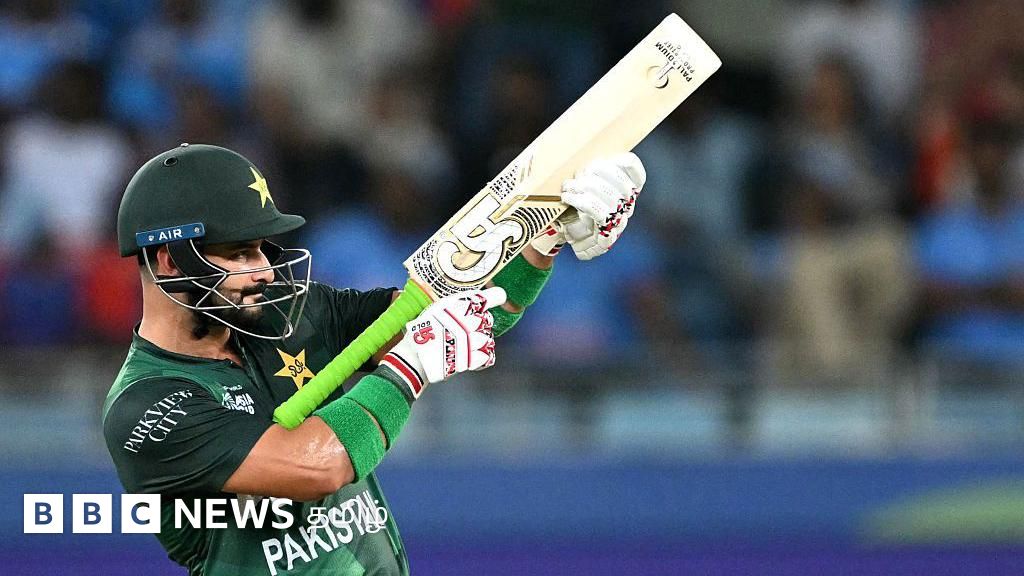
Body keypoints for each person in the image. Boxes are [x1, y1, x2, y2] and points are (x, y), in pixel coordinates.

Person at [101, 143, 645, 575]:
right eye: (240, 253)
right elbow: (318, 466)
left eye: (263, 250)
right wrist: (410, 369)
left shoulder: (290, 312)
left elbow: (470, 315)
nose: (264, 270)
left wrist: (543, 238)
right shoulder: (145, 408)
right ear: (170, 260)